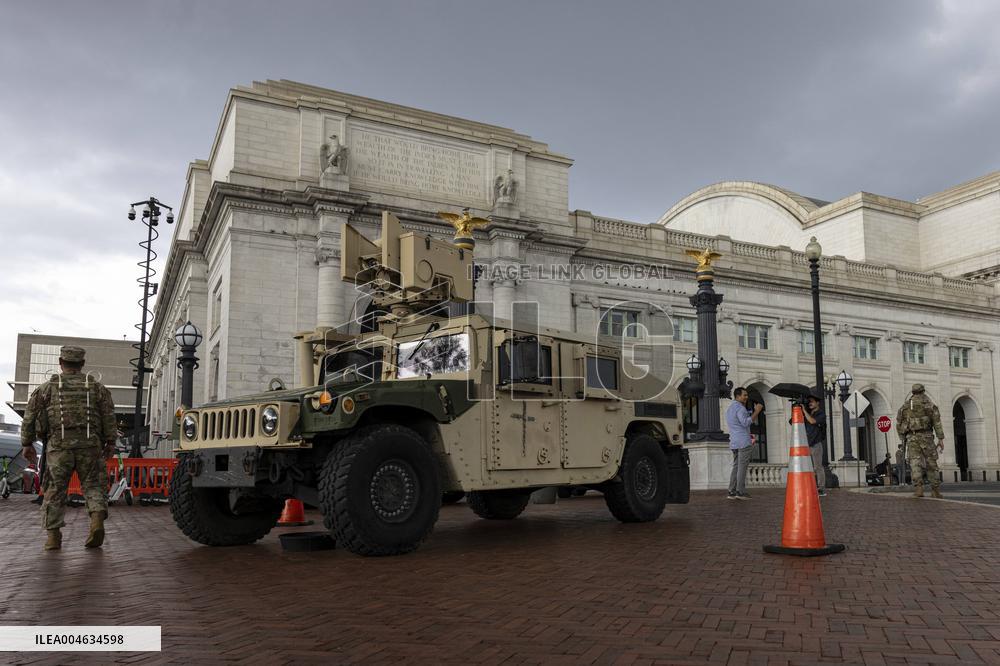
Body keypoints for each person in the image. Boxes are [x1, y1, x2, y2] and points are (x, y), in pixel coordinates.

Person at [20, 346, 116, 550]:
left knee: (55, 490)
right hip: (90, 445)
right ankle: (97, 520)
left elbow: (29, 417)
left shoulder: (47, 387)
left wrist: (27, 444)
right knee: (94, 485)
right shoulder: (97, 388)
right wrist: (110, 442)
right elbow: (108, 416)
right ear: (82, 364)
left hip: (58, 446)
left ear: (60, 362)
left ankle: (53, 537)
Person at [896, 383, 945, 499]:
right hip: (927, 437)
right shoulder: (929, 405)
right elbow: (937, 422)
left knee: (915, 463)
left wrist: (903, 438)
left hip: (911, 438)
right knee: (931, 463)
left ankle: (919, 488)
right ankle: (935, 490)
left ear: (913, 392)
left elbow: (899, 424)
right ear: (923, 392)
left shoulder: (905, 406)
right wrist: (940, 438)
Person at [726, 387, 763, 500]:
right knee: (742, 467)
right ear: (738, 396)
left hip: (734, 441)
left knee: (736, 466)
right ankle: (740, 492)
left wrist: (750, 412)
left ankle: (731, 491)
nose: (746, 397)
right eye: (744, 395)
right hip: (743, 441)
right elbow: (745, 422)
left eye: (747, 395)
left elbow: (740, 420)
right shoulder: (740, 408)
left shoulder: (730, 408)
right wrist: (757, 411)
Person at [802, 393, 827, 496]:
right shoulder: (808, 413)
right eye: (809, 402)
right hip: (806, 443)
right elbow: (792, 422)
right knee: (808, 467)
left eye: (812, 401)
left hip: (816, 444)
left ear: (817, 403)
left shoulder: (821, 414)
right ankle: (810, 486)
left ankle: (821, 488)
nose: (810, 403)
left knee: (817, 467)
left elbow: (812, 421)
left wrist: (804, 411)